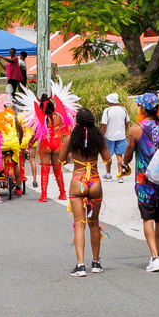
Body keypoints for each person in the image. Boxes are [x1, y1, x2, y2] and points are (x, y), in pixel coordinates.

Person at [122, 92, 159, 272]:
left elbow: (129, 153)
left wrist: (124, 164)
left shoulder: (136, 129)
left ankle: (154, 258)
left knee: (147, 218)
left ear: (143, 108)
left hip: (145, 181)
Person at [59, 109, 112, 276]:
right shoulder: (99, 139)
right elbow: (108, 159)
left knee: (79, 225)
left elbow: (61, 160)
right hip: (95, 181)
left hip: (78, 181)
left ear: (77, 123)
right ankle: (96, 263)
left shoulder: (70, 139)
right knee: (94, 223)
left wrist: (70, 158)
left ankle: (80, 266)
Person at [37, 94, 67, 202]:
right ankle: (62, 193)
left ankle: (44, 195)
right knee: (57, 169)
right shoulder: (59, 116)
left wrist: (29, 145)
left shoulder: (42, 118)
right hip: (57, 144)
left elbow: (36, 133)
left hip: (46, 145)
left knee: (45, 170)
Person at [101, 93, 130, 182]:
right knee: (119, 156)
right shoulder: (123, 109)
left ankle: (108, 174)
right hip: (121, 136)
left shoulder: (107, 111)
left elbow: (104, 125)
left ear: (109, 101)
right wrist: (123, 131)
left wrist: (101, 136)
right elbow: (127, 122)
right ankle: (120, 176)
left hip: (109, 136)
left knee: (107, 156)